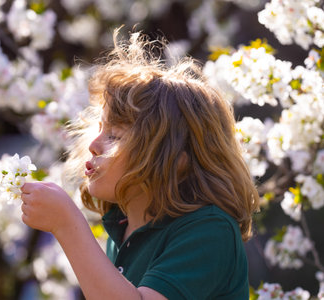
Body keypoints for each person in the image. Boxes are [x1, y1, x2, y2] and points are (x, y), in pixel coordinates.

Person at [20, 29, 260, 300]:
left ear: (175, 160)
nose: (93, 145)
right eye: (99, 129)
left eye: (114, 135)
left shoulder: (209, 230)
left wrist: (67, 225)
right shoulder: (124, 227)